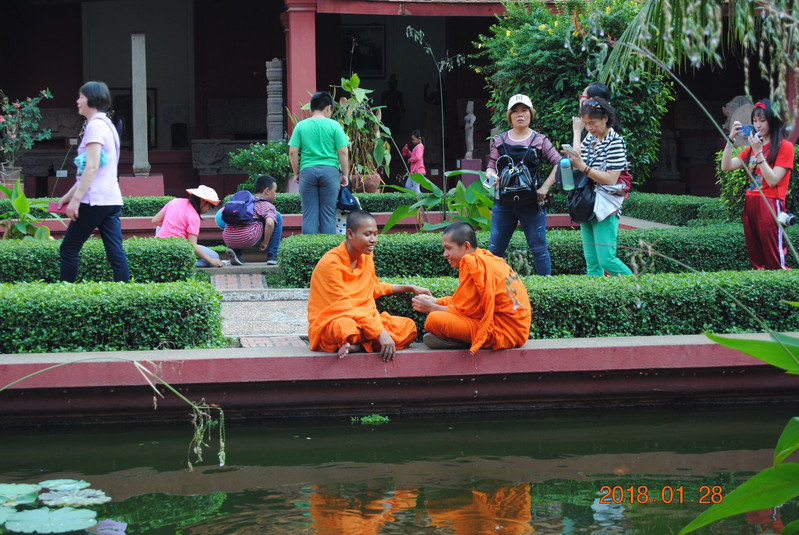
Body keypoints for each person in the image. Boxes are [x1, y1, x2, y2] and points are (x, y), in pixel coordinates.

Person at [307, 209, 431, 361]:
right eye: (367, 234)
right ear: (351, 234)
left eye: (375, 234)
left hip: (366, 320)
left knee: (408, 327)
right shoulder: (330, 264)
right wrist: (380, 332)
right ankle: (365, 341)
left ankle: (358, 346)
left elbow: (374, 287)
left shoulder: (366, 257)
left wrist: (410, 287)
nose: (374, 239)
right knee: (345, 328)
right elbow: (343, 306)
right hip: (335, 319)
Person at [412, 222, 531, 354]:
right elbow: (465, 303)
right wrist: (435, 301)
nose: (445, 254)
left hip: (504, 331)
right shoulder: (483, 256)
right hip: (519, 329)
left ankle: (462, 341)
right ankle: (460, 339)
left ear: (466, 246)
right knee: (437, 316)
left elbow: (469, 312)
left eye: (448, 248)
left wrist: (432, 307)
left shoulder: (471, 262)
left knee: (434, 320)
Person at [59, 81, 130, 283]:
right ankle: (124, 296)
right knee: (116, 254)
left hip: (94, 200)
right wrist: (69, 194)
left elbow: (91, 167)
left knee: (68, 250)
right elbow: (95, 167)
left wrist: (76, 200)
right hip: (111, 199)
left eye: (81, 96)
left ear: (91, 100)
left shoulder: (95, 127)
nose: (77, 101)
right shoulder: (107, 124)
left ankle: (65, 297)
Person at [485, 94, 560, 276]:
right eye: (516, 111)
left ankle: (546, 289)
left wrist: (545, 187)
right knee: (495, 250)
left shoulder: (540, 140)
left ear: (531, 114)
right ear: (509, 116)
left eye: (524, 110)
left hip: (532, 203)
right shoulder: (499, 140)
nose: (520, 115)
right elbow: (490, 167)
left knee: (539, 249)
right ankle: (493, 288)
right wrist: (492, 177)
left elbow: (560, 163)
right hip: (503, 203)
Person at [721, 99, 795, 269]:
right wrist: (730, 139)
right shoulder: (753, 147)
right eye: (755, 120)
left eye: (762, 120)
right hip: (751, 202)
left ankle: (782, 290)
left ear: (773, 120)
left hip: (770, 203)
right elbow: (726, 166)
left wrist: (759, 153)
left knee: (775, 257)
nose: (758, 125)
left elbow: (773, 179)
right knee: (756, 258)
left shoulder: (785, 147)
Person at [563, 97, 633, 277]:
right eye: (586, 123)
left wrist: (583, 168)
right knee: (592, 263)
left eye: (592, 123)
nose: (589, 127)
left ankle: (639, 291)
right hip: (588, 202)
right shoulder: (590, 138)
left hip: (606, 205)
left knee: (607, 260)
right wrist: (577, 133)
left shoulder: (615, 141)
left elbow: (610, 179)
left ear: (605, 119)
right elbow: (579, 158)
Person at [289, 91, 350, 235]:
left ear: (311, 108)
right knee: (328, 215)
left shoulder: (301, 126)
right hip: (330, 172)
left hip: (307, 172)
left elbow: (292, 152)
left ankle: (309, 253)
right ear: (328, 108)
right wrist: (345, 175)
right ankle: (326, 252)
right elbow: (343, 152)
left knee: (309, 215)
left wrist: (297, 173)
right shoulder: (334, 126)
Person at [152, 185, 226, 267]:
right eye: (210, 206)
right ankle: (179, 263)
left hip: (160, 244)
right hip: (178, 248)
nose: (209, 210)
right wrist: (211, 260)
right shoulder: (194, 217)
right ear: (202, 201)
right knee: (214, 257)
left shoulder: (174, 201)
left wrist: (171, 225)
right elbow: (192, 245)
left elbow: (155, 220)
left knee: (160, 226)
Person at [219, 174, 283, 266]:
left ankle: (236, 254)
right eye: (275, 191)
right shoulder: (266, 205)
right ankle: (272, 256)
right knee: (277, 216)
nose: (275, 195)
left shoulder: (245, 203)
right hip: (247, 238)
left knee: (244, 222)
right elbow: (269, 223)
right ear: (267, 191)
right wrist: (265, 242)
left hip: (228, 239)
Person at [401, 129, 426, 194]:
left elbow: (418, 157)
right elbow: (413, 155)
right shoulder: (417, 146)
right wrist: (407, 151)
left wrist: (410, 159)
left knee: (416, 188)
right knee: (408, 186)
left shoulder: (419, 146)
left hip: (417, 171)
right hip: (414, 171)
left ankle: (420, 200)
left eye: (414, 139)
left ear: (419, 138)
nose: (412, 141)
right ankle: (418, 197)